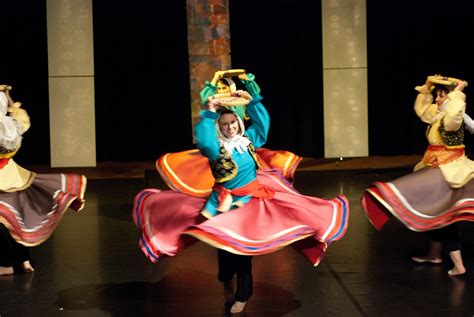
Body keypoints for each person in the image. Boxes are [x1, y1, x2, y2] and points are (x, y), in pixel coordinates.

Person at [133, 70, 349, 314]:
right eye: (224, 124)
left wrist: (254, 99)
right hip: (222, 204)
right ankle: (226, 280)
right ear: (220, 127)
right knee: (225, 252)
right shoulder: (215, 149)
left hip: (249, 202)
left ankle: (243, 294)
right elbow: (204, 140)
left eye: (233, 122)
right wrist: (209, 110)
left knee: (244, 253)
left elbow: (262, 126)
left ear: (238, 122)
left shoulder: (249, 141)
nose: (229, 127)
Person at [361, 75, 472, 276]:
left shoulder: (452, 119)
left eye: (442, 97)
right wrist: (426, 90)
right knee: (436, 212)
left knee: (445, 217)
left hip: (450, 172)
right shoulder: (438, 115)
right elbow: (422, 110)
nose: (438, 100)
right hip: (436, 168)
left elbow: (455, 114)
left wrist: (457, 93)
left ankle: (459, 265)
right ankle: (434, 254)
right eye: (437, 96)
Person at [0, 85, 86, 276]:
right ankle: (24, 262)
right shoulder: (10, 125)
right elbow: (20, 116)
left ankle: (6, 265)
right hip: (13, 176)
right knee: (14, 221)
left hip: (3, 181)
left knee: (4, 224)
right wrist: (7, 96)